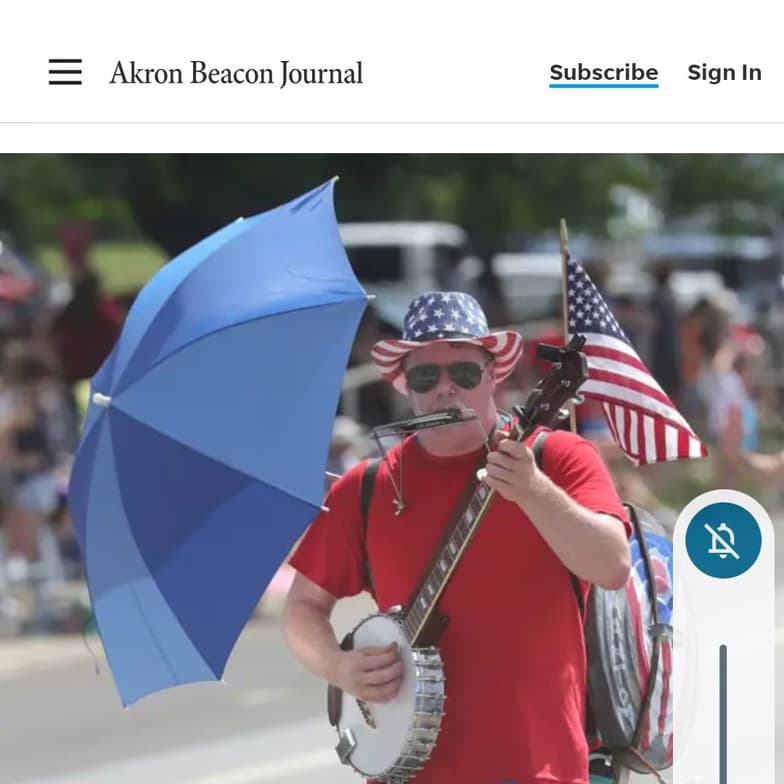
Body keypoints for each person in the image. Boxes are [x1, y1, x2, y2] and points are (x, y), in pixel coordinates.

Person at [281, 291, 632, 784]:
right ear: (404, 384)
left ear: (494, 375)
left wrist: (533, 492)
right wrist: (339, 667)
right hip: (408, 770)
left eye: (464, 372)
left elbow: (612, 566)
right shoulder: (365, 488)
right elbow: (301, 610)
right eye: (426, 375)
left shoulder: (558, 458)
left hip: (539, 767)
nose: (446, 389)